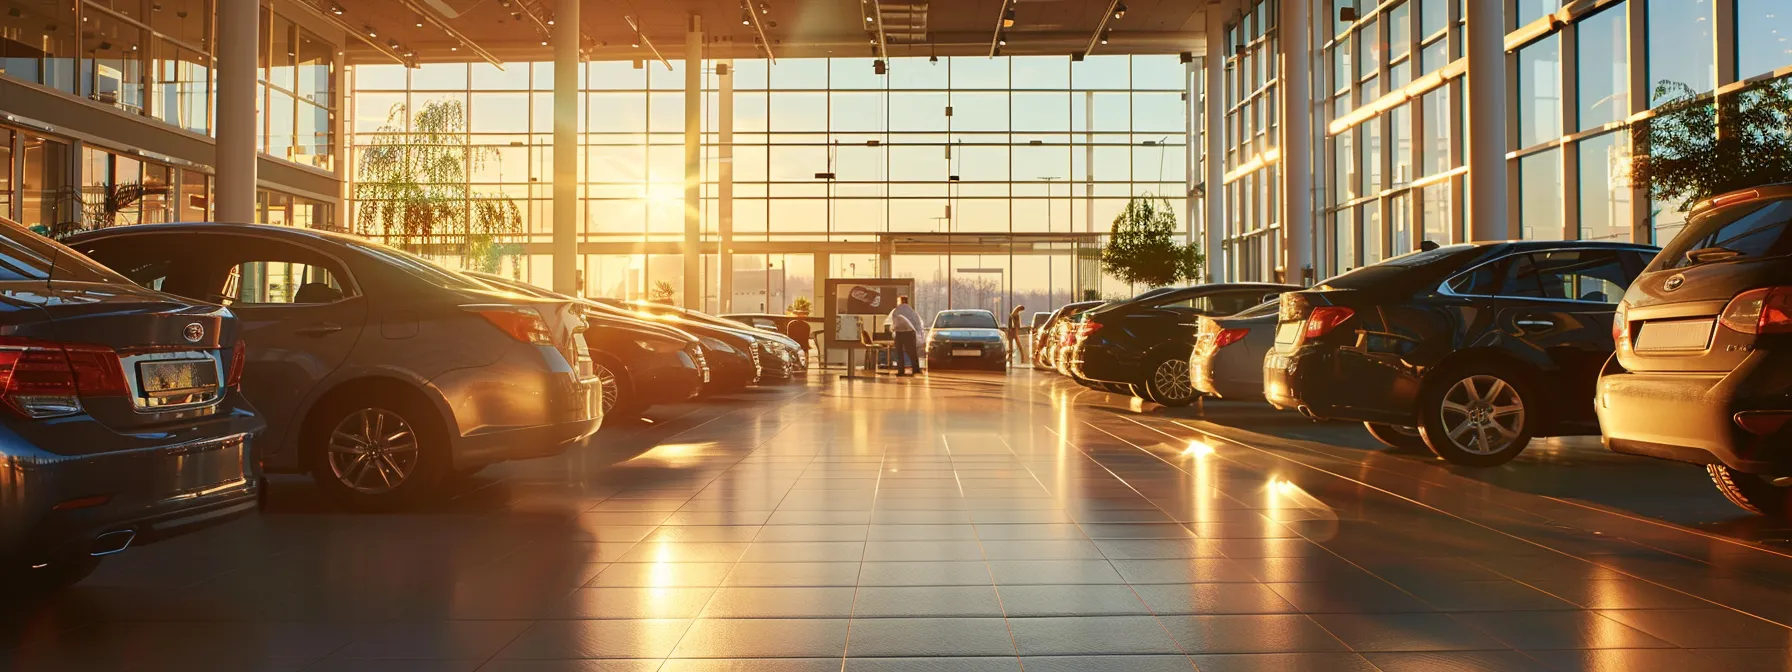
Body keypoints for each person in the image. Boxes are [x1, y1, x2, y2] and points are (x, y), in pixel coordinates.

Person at [889, 295, 923, 376]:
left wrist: (894, 329)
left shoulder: (896, 310)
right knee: (912, 352)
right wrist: (918, 332)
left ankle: (901, 371)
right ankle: (915, 369)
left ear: (900, 301)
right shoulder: (911, 310)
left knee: (899, 353)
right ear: (907, 301)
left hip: (899, 333)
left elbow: (894, 322)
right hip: (909, 333)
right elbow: (916, 321)